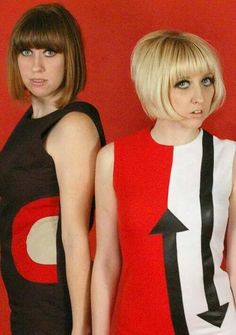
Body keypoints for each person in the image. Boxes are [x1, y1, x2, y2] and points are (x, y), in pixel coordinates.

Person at [91, 30, 236, 334]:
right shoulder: (113, 159)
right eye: (183, 83)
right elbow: (105, 261)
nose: (200, 96)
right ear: (154, 85)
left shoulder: (229, 158)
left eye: (206, 80)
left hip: (216, 324)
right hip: (138, 323)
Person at [0, 3, 105, 335]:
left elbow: (75, 237)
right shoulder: (31, 121)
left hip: (54, 307)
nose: (36, 66)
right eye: (27, 52)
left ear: (69, 57)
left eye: (49, 52)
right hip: (26, 302)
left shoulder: (73, 124)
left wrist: (81, 327)